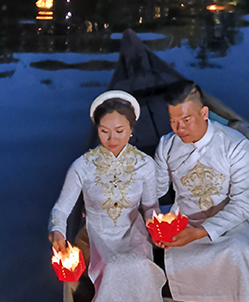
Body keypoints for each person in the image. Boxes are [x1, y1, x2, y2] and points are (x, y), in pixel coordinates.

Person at [153, 81, 249, 302]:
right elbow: (154, 193)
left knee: (235, 251)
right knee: (183, 258)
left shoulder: (235, 145)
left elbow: (242, 205)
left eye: (186, 120)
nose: (180, 129)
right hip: (184, 221)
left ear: (204, 113)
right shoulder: (167, 146)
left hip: (230, 223)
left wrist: (201, 232)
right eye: (173, 121)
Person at [50, 91, 165, 302]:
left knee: (137, 264)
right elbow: (62, 209)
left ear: (131, 129)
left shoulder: (145, 164)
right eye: (104, 132)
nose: (112, 139)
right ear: (97, 130)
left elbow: (150, 207)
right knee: (113, 266)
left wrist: (157, 228)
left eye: (120, 131)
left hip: (134, 234)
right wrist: (57, 231)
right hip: (97, 236)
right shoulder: (82, 166)